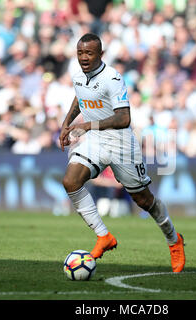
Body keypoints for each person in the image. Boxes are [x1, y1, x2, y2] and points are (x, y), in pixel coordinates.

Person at [59, 33, 185, 273]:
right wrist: (67, 124)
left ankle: (173, 240)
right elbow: (80, 97)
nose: (84, 58)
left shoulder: (113, 78)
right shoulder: (78, 76)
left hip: (121, 145)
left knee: (144, 200)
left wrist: (86, 125)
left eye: (89, 53)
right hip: (95, 141)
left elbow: (123, 118)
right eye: (80, 53)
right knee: (70, 181)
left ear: (101, 54)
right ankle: (103, 236)